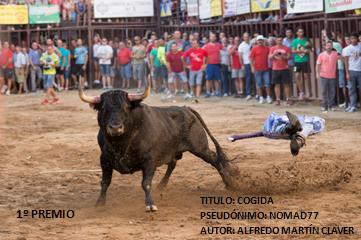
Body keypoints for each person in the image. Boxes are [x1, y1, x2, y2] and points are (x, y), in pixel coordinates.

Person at [228, 111, 325, 157]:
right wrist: (236, 137)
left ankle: (296, 136)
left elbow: (257, 133)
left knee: (300, 128)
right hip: (280, 129)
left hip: (273, 129)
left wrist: (236, 137)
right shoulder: (314, 123)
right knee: (307, 127)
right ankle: (298, 139)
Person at [316, 40, 339, 113]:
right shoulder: (321, 55)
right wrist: (317, 73)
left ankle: (331, 105)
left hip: (332, 76)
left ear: (332, 46)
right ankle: (324, 106)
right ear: (325, 46)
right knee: (324, 91)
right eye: (327, 45)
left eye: (330, 45)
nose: (329, 47)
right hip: (323, 75)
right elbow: (318, 65)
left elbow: (343, 58)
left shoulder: (335, 54)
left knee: (332, 91)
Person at [269, 35, 292, 106]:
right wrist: (274, 54)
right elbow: (270, 57)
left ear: (282, 41)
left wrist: (283, 56)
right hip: (275, 68)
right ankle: (278, 99)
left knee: (286, 84)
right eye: (278, 40)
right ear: (276, 41)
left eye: (280, 40)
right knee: (277, 84)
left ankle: (288, 99)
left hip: (284, 68)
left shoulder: (286, 48)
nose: (279, 41)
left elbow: (289, 57)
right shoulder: (272, 48)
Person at [249, 35, 272, 104]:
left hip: (266, 68)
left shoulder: (267, 48)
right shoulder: (254, 49)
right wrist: (252, 67)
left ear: (263, 41)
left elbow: (270, 55)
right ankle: (261, 97)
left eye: (261, 40)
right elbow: (251, 58)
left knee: (267, 83)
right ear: (257, 41)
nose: (260, 41)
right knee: (259, 84)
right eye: (259, 40)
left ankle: (268, 97)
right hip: (257, 69)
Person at [343, 32, 361, 113]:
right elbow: (346, 62)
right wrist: (347, 73)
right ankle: (353, 105)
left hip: (360, 71)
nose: (353, 40)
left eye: (355, 38)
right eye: (351, 38)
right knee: (352, 89)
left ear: (358, 39)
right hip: (351, 71)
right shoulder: (347, 49)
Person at [292, 28, 312, 100]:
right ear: (297, 33)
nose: (301, 33)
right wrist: (302, 51)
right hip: (297, 61)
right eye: (299, 32)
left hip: (305, 61)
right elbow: (293, 51)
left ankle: (308, 91)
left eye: (302, 32)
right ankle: (301, 92)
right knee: (297, 76)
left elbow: (311, 50)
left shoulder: (307, 40)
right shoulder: (295, 41)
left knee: (306, 76)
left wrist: (308, 48)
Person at [203, 32, 222, 97]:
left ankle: (217, 92)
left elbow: (222, 52)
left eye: (214, 36)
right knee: (208, 79)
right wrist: (204, 64)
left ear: (216, 38)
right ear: (209, 37)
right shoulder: (206, 46)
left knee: (217, 79)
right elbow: (204, 56)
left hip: (217, 64)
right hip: (209, 64)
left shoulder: (219, 45)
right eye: (211, 36)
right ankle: (208, 92)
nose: (212, 38)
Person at [238, 32, 253, 100]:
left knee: (255, 79)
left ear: (249, 37)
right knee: (248, 79)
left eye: (247, 37)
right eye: (245, 37)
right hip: (247, 64)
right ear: (243, 38)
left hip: (254, 63)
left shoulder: (252, 43)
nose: (246, 38)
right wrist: (242, 65)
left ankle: (256, 94)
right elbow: (240, 57)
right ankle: (248, 93)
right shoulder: (241, 45)